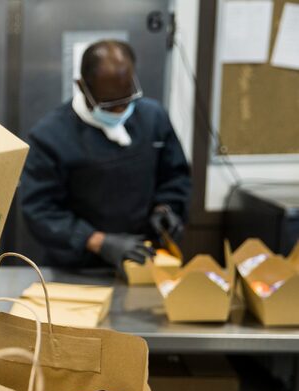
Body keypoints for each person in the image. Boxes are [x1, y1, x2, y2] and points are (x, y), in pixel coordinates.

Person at [19, 40, 191, 269]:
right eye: (110, 105)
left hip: (144, 259)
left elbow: (175, 175)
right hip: (79, 267)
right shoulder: (50, 136)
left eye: (126, 100)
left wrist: (166, 209)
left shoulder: (154, 118)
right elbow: (40, 210)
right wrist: (99, 242)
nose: (120, 111)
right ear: (82, 86)